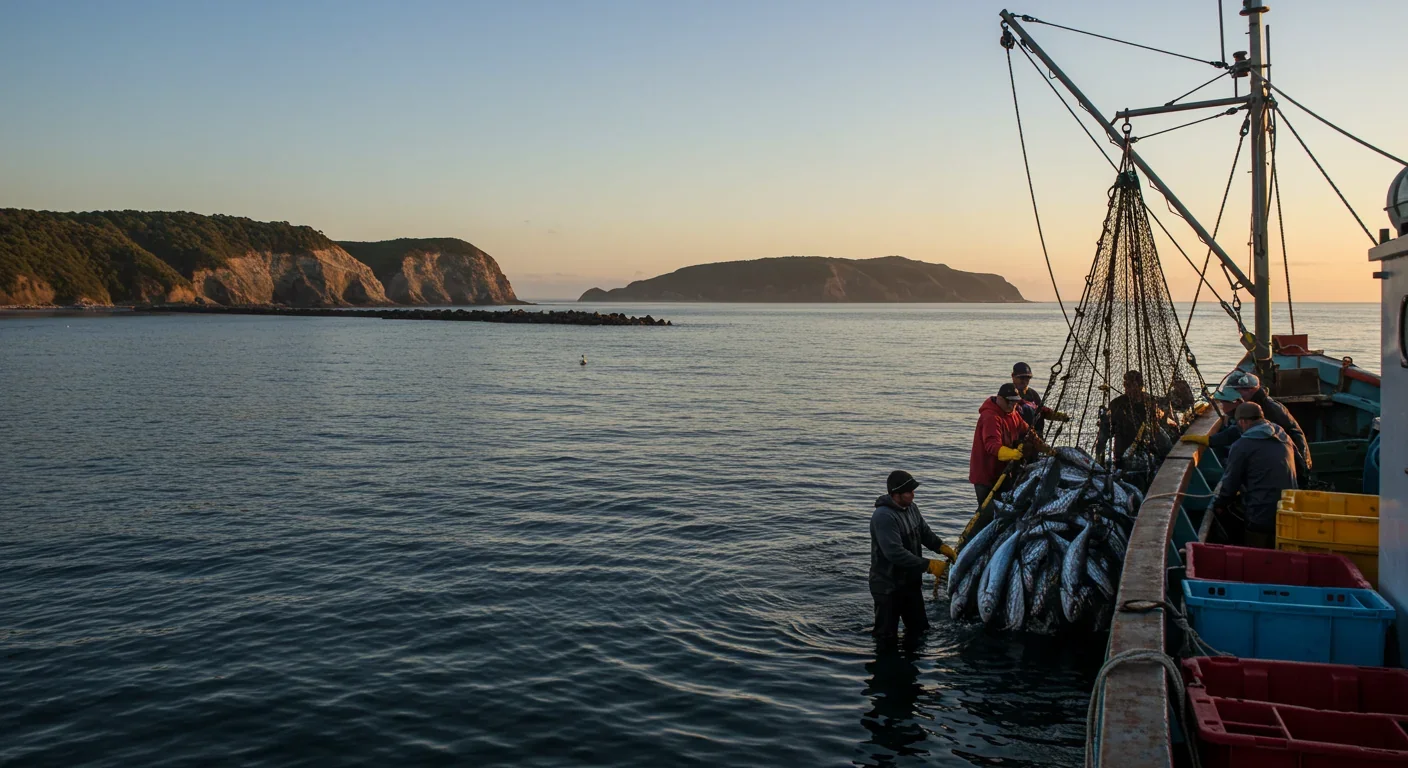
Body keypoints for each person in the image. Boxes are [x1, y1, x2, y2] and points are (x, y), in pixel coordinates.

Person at [869, 471, 957, 645]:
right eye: (909, 491)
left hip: (910, 583)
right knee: (886, 638)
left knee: (919, 630)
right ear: (895, 494)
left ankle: (913, 664)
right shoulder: (884, 517)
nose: (913, 494)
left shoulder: (912, 508)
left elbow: (924, 532)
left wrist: (941, 547)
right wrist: (929, 565)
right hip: (888, 586)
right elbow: (895, 553)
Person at [1213, 402, 1297, 548]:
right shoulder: (1283, 435)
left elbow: (1231, 482)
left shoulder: (1241, 445)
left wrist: (1220, 504)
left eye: (1238, 423)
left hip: (1261, 516)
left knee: (1258, 551)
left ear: (1244, 421)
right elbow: (1300, 465)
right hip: (1290, 509)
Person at [969, 383, 1046, 534]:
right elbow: (991, 446)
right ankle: (978, 539)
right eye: (1010, 401)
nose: (1013, 405)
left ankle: (999, 533)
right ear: (1000, 399)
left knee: (1004, 509)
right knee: (987, 513)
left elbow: (1027, 430)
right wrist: (1012, 454)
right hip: (985, 475)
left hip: (1003, 472)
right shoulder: (990, 417)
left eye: (1015, 401)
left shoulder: (1013, 413)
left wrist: (1043, 447)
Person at [1227, 371, 1312, 484]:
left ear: (1250, 390)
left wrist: (1303, 465)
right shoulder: (1258, 404)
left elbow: (1296, 435)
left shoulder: (1270, 409)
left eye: (1238, 391)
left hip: (1289, 461)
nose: (1236, 394)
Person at [1100, 370, 1163, 463]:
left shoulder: (1150, 402)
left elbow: (1157, 427)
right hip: (1122, 452)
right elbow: (1107, 431)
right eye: (1125, 385)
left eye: (1130, 385)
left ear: (1140, 386)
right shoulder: (1117, 404)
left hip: (1147, 450)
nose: (1126, 388)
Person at [1180, 384, 1243, 462]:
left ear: (1235, 403)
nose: (1221, 406)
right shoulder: (1239, 414)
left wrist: (1200, 438)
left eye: (1223, 403)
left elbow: (1217, 440)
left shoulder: (1239, 426)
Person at [1010, 362, 1069, 436]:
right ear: (1013, 376)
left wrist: (1059, 416)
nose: (1024, 381)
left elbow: (1042, 411)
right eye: (1021, 378)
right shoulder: (1008, 393)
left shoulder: (1033, 394)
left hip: (1036, 437)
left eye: (1027, 378)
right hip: (1017, 438)